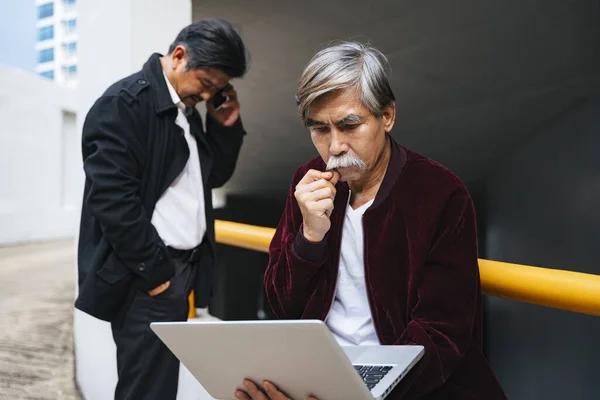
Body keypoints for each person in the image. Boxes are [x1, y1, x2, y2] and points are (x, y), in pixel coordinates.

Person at [236, 42, 506, 400]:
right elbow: (282, 305)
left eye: (349, 125)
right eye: (320, 129)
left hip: (410, 388)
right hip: (322, 379)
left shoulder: (440, 193)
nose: (334, 146)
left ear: (388, 116)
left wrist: (354, 394)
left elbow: (441, 335)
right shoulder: (309, 181)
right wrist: (309, 238)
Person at [74, 19, 248, 400]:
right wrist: (155, 273)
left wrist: (225, 126)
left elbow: (212, 177)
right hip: (148, 276)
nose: (207, 96)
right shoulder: (123, 106)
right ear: (179, 56)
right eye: (206, 84)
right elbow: (111, 200)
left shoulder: (185, 111)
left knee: (159, 387)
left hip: (177, 272)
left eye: (217, 90)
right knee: (147, 390)